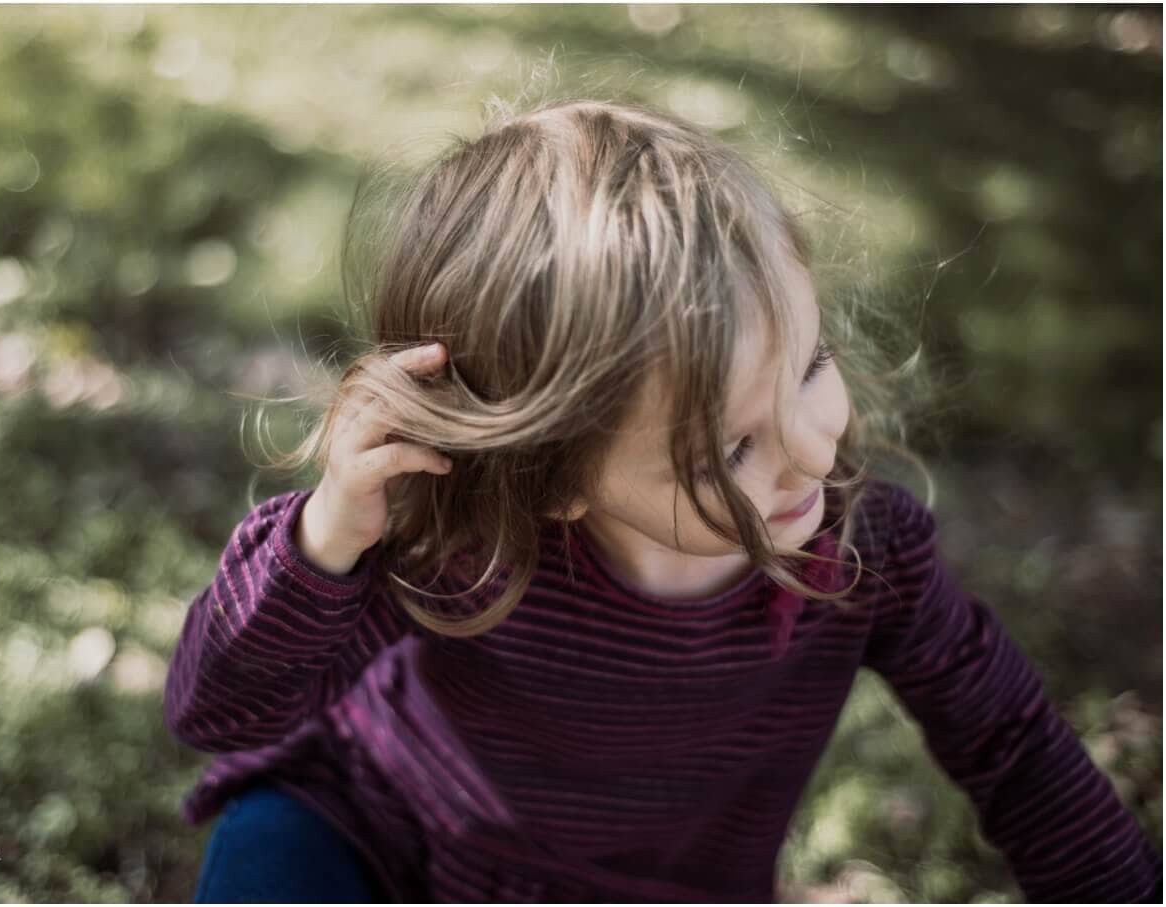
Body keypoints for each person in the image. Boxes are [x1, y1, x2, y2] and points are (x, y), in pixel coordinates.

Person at [164, 97, 1162, 902]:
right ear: (552, 476)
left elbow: (1013, 749)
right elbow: (220, 710)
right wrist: (330, 532)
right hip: (373, 834)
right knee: (271, 854)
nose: (807, 452)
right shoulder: (472, 545)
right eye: (727, 444)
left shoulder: (868, 557)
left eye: (808, 367)